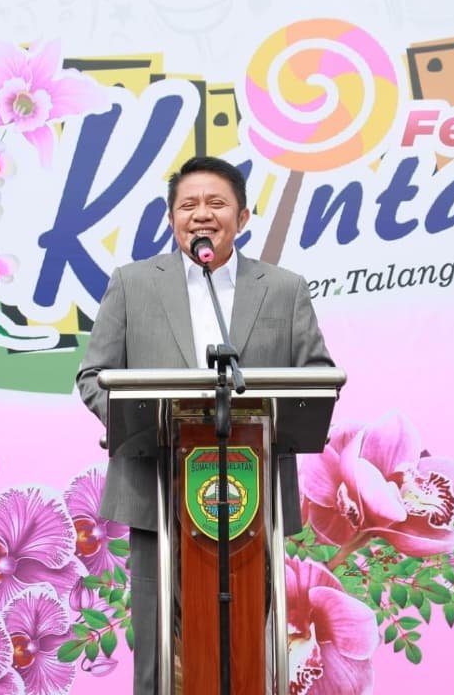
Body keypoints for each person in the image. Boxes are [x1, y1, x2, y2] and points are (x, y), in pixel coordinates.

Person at [75, 155, 334, 693]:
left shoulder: (284, 289)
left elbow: (316, 377)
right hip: (157, 488)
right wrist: (136, 424)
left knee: (248, 647)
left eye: (216, 203)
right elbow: (94, 376)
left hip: (253, 495)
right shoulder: (132, 284)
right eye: (188, 204)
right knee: (159, 652)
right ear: (172, 218)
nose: (201, 214)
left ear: (242, 217)